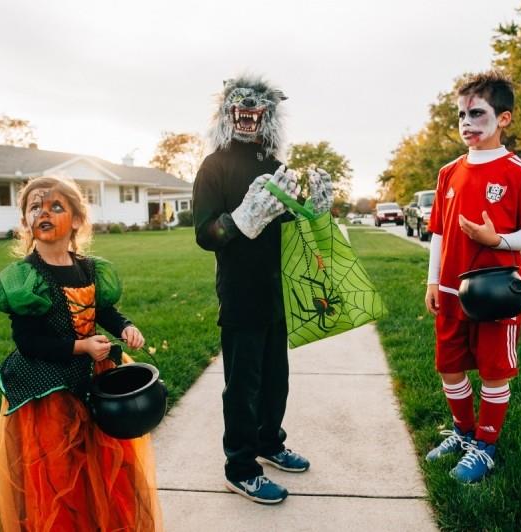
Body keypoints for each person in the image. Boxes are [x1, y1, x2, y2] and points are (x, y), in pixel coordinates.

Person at [0, 175, 162, 530]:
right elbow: (28, 342)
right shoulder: (25, 279)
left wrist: (124, 326)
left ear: (77, 220)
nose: (43, 212)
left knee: (101, 458)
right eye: (35, 207)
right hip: (48, 390)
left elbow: (104, 312)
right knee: (58, 470)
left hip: (92, 378)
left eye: (55, 206)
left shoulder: (89, 268)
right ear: (25, 222)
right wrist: (79, 346)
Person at [193, 75, 333, 504]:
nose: (249, 112)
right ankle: (240, 466)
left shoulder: (274, 166)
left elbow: (288, 227)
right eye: (241, 106)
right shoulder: (213, 165)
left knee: (275, 380)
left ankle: (270, 443)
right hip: (240, 294)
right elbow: (204, 233)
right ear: (229, 112)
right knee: (243, 385)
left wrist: (314, 214)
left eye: (257, 108)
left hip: (278, 293)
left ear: (268, 115)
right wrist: (240, 220)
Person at [424, 70, 521, 483]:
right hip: (451, 288)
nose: (466, 123)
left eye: (477, 113)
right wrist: (431, 281)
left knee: (494, 371)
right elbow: (439, 230)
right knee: (449, 366)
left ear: (504, 118)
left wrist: (499, 241)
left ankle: (486, 445)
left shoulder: (517, 171)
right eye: (460, 115)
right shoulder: (448, 173)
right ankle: (462, 432)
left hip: (496, 293)